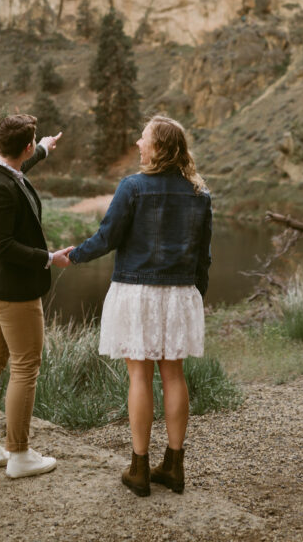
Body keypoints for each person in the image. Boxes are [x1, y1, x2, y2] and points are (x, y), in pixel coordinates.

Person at [66, 115, 212, 497]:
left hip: (137, 292)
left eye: (143, 138)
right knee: (174, 376)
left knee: (139, 377)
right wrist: (195, 298)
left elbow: (108, 236)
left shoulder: (133, 187)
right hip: (180, 293)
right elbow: (203, 257)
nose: (137, 143)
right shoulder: (200, 194)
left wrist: (74, 257)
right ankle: (175, 467)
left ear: (159, 147)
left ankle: (139, 468)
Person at [0, 113, 71, 479]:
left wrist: (43, 149)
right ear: (22, 145)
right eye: (34, 143)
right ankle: (19, 455)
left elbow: (19, 166)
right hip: (12, 292)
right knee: (25, 367)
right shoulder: (0, 187)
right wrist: (49, 259)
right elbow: (3, 246)